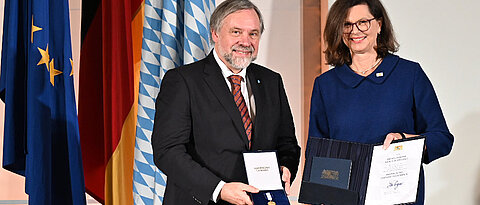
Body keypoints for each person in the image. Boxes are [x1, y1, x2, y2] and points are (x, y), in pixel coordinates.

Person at [151, 0, 300, 204]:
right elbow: (167, 151)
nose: (245, 41)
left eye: (253, 34)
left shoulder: (271, 81)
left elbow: (288, 144)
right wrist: (218, 189)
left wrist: (286, 167)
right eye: (236, 32)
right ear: (215, 33)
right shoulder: (183, 81)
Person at [308, 0, 454, 204]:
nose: (355, 31)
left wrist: (406, 139)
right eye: (347, 25)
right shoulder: (325, 85)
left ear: (379, 24)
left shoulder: (409, 74)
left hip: (398, 198)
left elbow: (442, 139)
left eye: (363, 22)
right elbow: (316, 155)